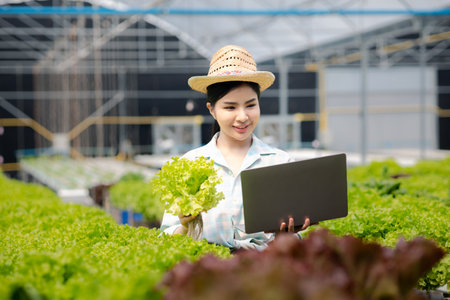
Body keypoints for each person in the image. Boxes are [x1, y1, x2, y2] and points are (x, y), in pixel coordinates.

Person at [160, 45, 310, 250]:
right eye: (230, 107)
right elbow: (166, 239)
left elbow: (299, 240)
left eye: (250, 105)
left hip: (264, 272)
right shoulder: (189, 164)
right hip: (208, 272)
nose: (242, 116)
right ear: (211, 109)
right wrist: (185, 227)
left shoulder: (279, 162)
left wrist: (289, 235)